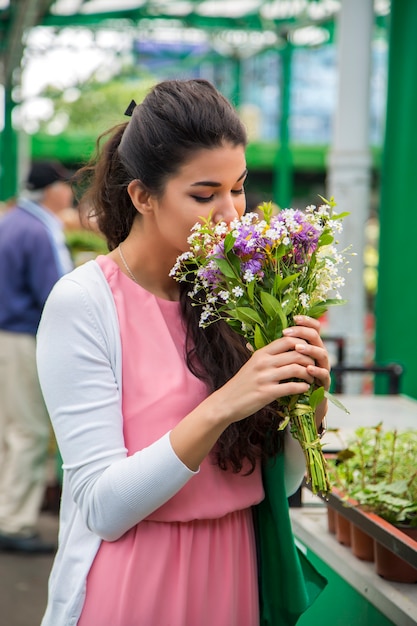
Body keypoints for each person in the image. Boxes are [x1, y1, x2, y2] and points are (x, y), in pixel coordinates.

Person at [36, 79, 330, 626]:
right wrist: (226, 404)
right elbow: (103, 507)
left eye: (239, 188)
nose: (231, 214)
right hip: (133, 579)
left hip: (235, 569)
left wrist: (306, 398)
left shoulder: (238, 293)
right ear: (142, 196)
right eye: (204, 194)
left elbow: (278, 482)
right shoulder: (84, 303)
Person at [0, 160, 74, 554]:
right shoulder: (39, 228)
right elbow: (55, 294)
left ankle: (6, 513)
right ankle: (15, 522)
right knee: (27, 431)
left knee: (9, 432)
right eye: (65, 187)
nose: (69, 195)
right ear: (53, 191)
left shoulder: (11, 220)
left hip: (4, 337)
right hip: (21, 338)